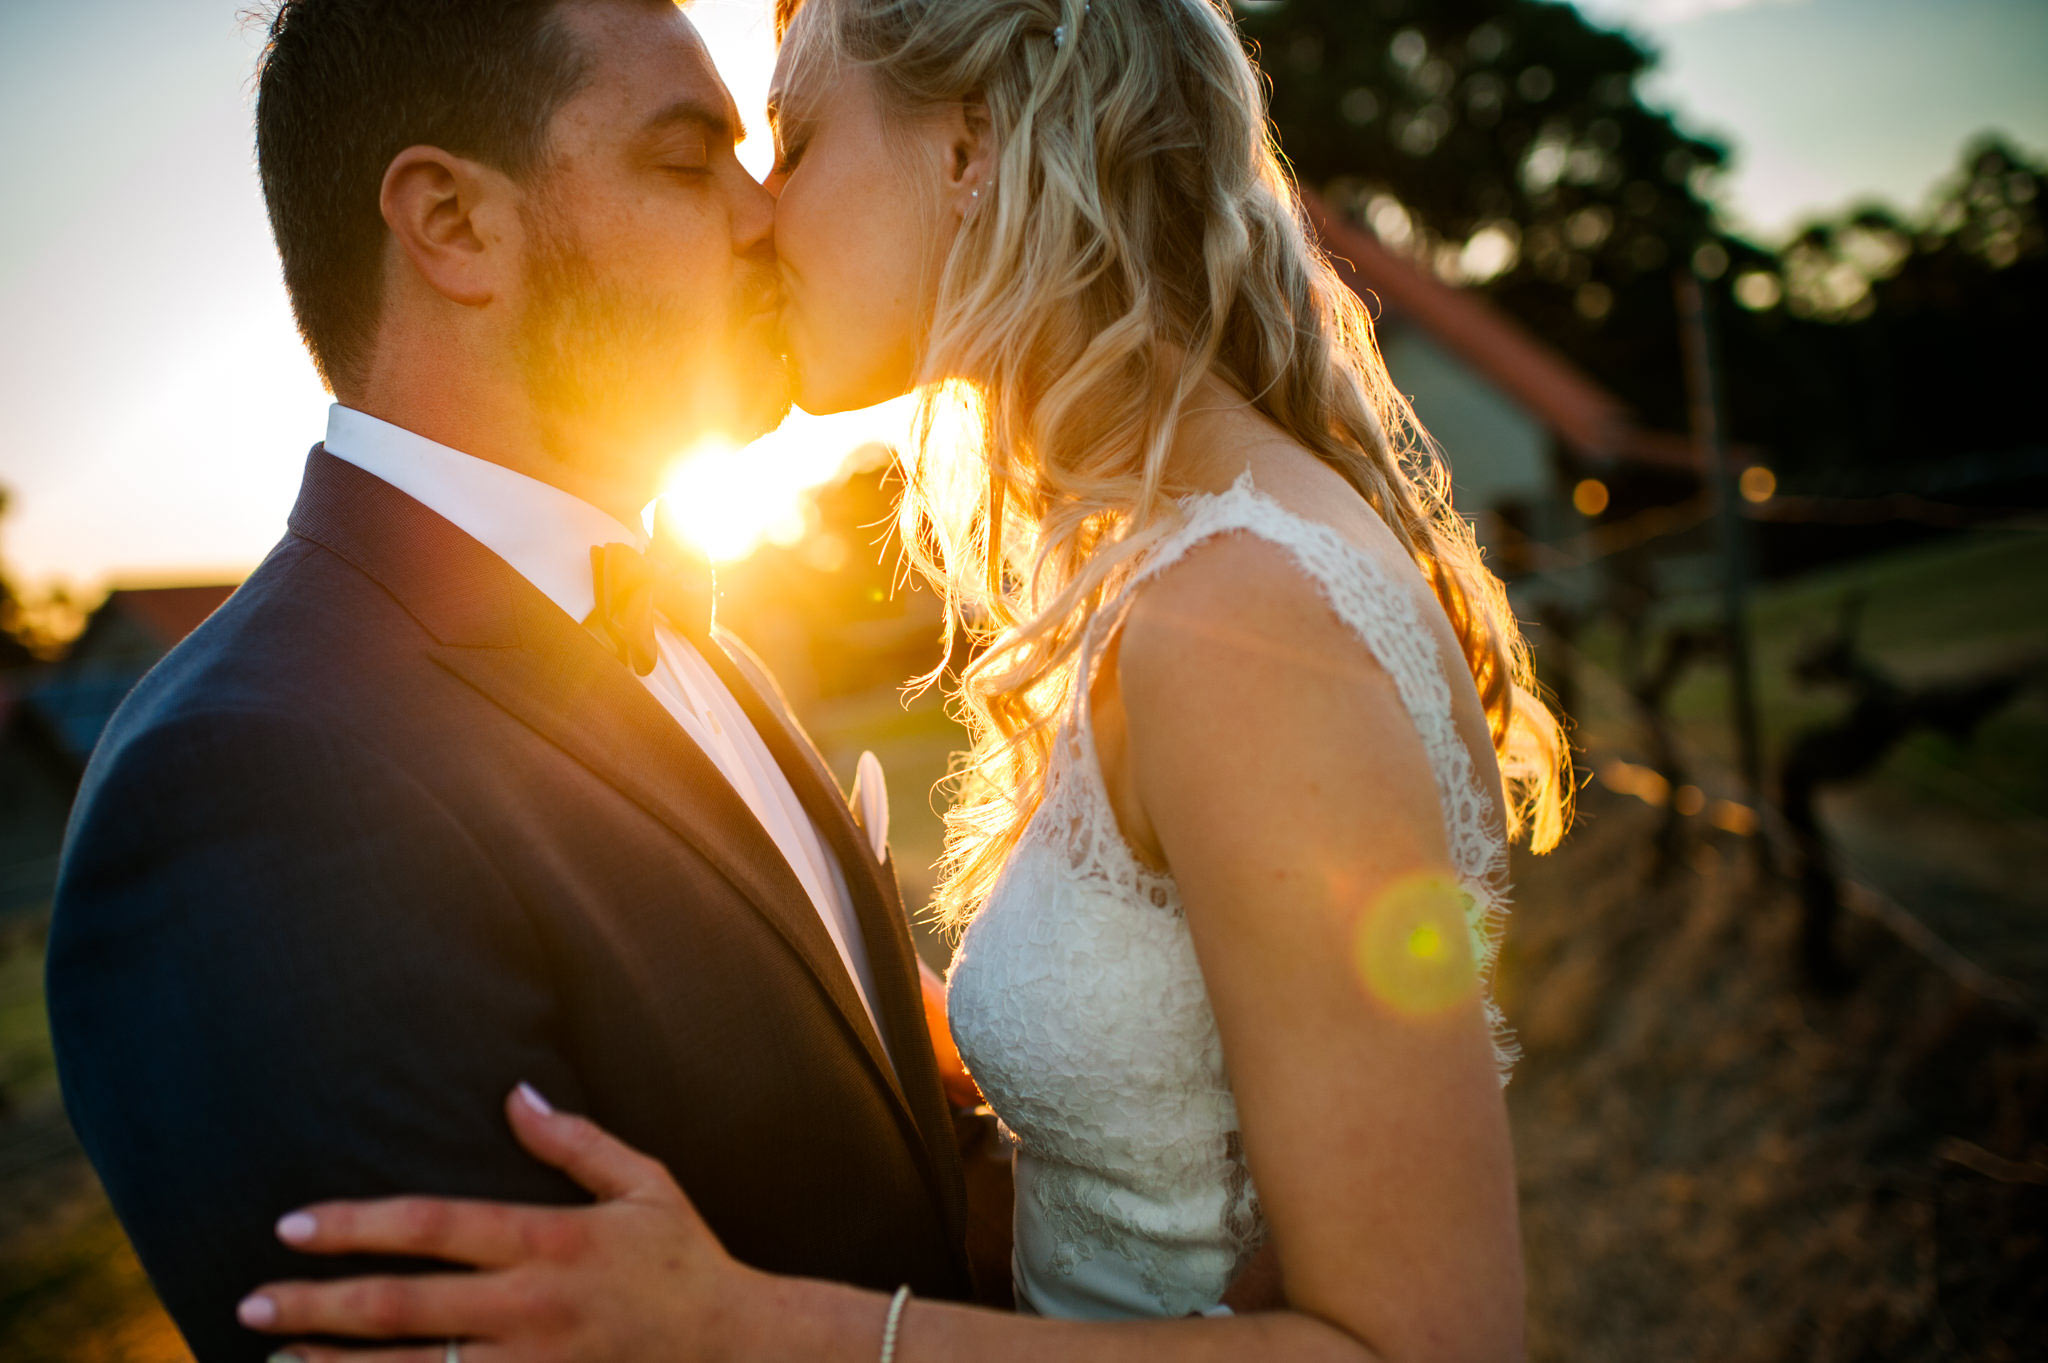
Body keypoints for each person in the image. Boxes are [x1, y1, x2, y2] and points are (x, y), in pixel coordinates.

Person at [238, 0, 1575, 1358]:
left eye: (798, 140)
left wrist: (753, 1331)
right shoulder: (1183, 561)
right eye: (717, 160)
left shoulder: (1242, 613)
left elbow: (1422, 1343)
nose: (763, 216)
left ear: (969, 150)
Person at [44, 2, 1000, 1359]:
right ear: (453, 224)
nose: (763, 217)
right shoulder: (244, 787)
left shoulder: (699, 638)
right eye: (688, 162)